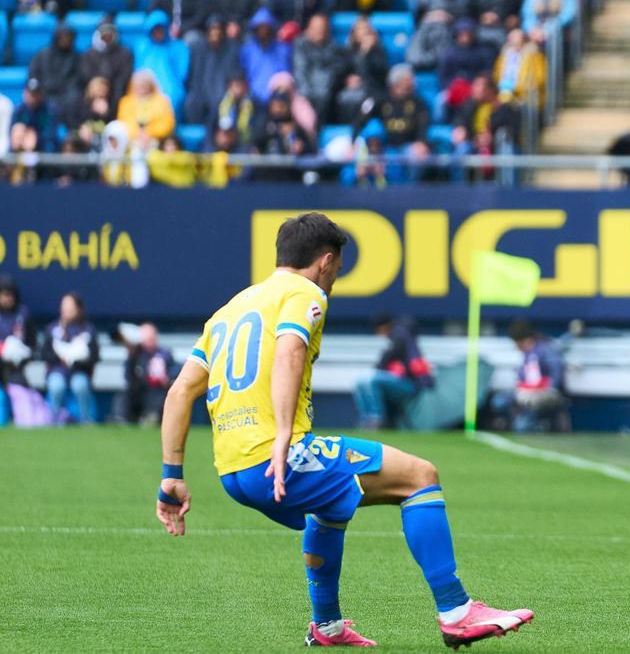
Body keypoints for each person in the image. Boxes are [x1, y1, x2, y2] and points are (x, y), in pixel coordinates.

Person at [154, 213, 533, 647]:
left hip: (234, 472)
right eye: (336, 269)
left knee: (332, 506)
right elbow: (290, 349)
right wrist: (282, 435)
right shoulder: (305, 293)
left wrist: (172, 477)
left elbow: (180, 391)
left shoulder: (230, 310)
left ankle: (327, 625)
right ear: (325, 261)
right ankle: (457, 611)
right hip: (277, 457)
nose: (334, 279)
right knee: (419, 476)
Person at [353, 313, 435, 428]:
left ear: (383, 327)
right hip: (406, 382)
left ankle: (376, 419)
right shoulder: (401, 336)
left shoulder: (399, 336)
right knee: (362, 379)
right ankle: (368, 419)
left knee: (368, 379)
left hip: (410, 384)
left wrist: (380, 368)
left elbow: (385, 361)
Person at [491, 319, 568, 433]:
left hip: (546, 393)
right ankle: (517, 418)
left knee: (522, 426)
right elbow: (523, 378)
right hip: (527, 392)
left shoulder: (546, 349)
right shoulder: (526, 354)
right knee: (499, 401)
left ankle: (537, 424)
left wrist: (542, 388)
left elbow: (556, 375)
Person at [42, 292, 100, 425]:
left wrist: (80, 358)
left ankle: (86, 420)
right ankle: (53, 421)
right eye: (64, 306)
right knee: (56, 386)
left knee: (80, 385)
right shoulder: (53, 328)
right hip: (57, 369)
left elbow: (95, 356)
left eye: (70, 307)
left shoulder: (87, 329)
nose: (67, 310)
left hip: (79, 370)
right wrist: (59, 358)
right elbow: (44, 354)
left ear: (78, 309)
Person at [114, 323, 177, 425]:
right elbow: (128, 376)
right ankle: (120, 418)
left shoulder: (164, 354)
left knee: (158, 398)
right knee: (123, 396)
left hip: (158, 391)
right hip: (139, 390)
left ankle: (151, 418)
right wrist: (131, 356)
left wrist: (167, 378)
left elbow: (174, 370)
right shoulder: (137, 355)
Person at [0, 276, 36, 427]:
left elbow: (32, 344)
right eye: (3, 294)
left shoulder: (23, 314)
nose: (7, 298)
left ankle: (23, 422)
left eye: (10, 295)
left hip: (16, 367)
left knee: (19, 390)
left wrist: (21, 354)